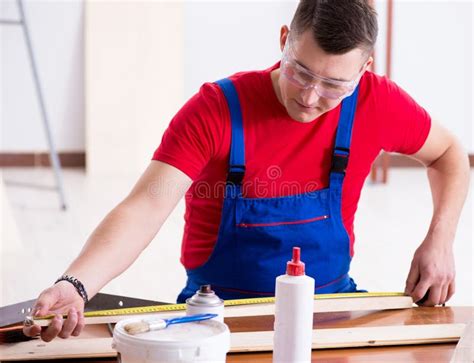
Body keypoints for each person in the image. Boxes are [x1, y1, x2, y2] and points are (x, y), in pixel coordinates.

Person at [24, 0, 469, 342]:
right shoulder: (215, 110)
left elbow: (449, 154)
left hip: (331, 310)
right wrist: (77, 284)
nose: (311, 98)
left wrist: (441, 240)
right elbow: (146, 204)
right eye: (300, 72)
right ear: (284, 40)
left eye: (335, 85)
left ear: (365, 70)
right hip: (217, 320)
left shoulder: (376, 101)